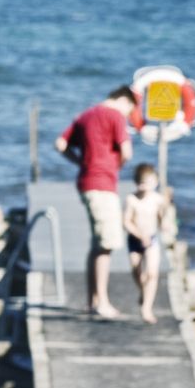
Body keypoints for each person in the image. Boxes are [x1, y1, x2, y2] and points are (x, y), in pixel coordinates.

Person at [55, 86, 136, 318]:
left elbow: (60, 144)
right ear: (124, 100)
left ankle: (92, 301)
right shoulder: (115, 115)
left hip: (85, 181)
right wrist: (115, 166)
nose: (128, 116)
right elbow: (127, 151)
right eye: (130, 111)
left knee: (97, 243)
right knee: (106, 243)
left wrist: (81, 162)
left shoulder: (85, 115)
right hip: (102, 184)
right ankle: (102, 302)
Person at [122, 163, 165, 324]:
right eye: (141, 182)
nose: (144, 186)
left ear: (155, 182)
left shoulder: (158, 199)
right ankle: (143, 292)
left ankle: (146, 309)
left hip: (151, 239)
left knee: (152, 273)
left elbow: (161, 216)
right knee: (136, 271)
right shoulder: (132, 200)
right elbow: (126, 222)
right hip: (135, 239)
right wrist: (139, 235)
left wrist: (165, 223)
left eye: (147, 182)